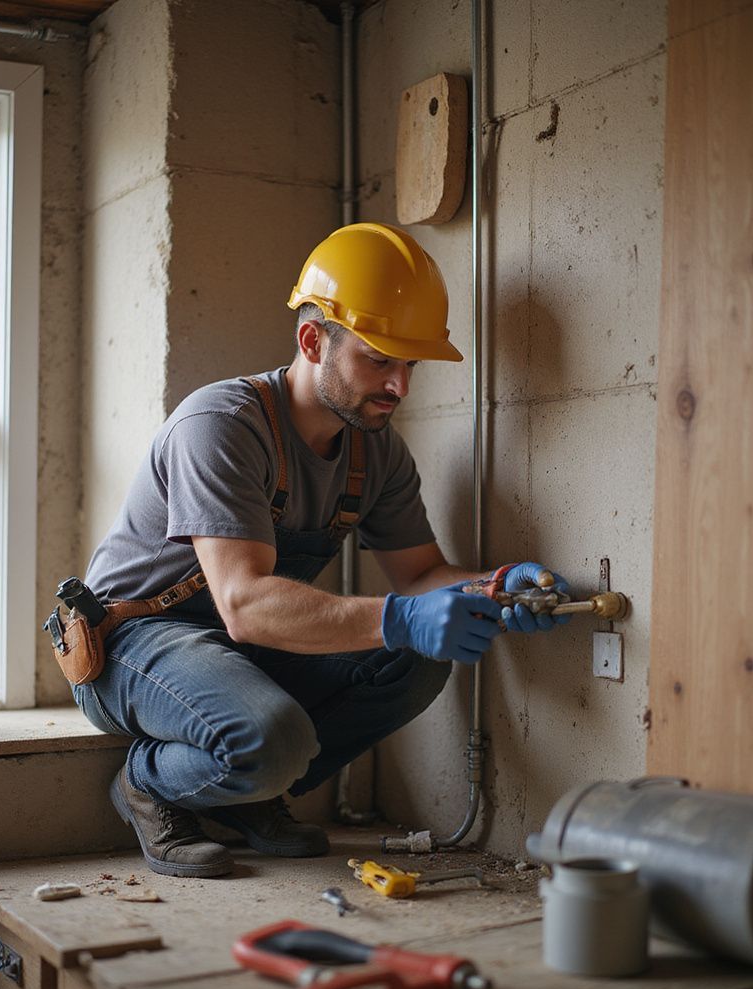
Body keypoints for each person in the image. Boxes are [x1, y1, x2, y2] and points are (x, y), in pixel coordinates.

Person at [73, 222, 568, 878]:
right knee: (270, 737)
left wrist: (496, 587)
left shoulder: (376, 452)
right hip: (135, 644)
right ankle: (148, 781)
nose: (400, 387)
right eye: (379, 360)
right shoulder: (220, 426)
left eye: (409, 365)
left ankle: (251, 799)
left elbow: (421, 575)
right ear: (313, 341)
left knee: (416, 661)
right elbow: (246, 604)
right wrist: (396, 615)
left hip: (239, 649)